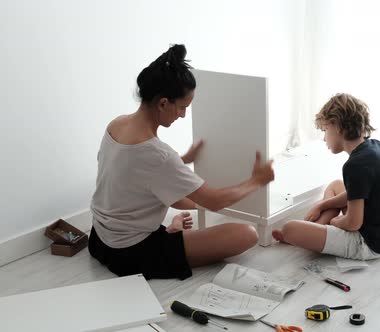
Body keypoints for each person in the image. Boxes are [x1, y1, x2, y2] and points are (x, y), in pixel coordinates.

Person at [89, 44, 274, 280]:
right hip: (132, 253)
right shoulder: (159, 156)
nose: (184, 115)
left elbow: (134, 174)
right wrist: (256, 181)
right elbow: (213, 202)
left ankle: (170, 232)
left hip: (99, 239)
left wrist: (183, 160)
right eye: (183, 107)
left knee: (184, 208)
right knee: (247, 234)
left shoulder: (117, 124)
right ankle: (169, 235)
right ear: (164, 103)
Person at [272, 93, 380, 260]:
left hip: (369, 244)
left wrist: (336, 222)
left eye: (325, 129)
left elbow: (353, 223)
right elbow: (356, 192)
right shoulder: (375, 148)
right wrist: (322, 206)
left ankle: (321, 227)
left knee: (289, 229)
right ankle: (320, 226)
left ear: (337, 126)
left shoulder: (355, 165)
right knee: (335, 185)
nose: (324, 138)